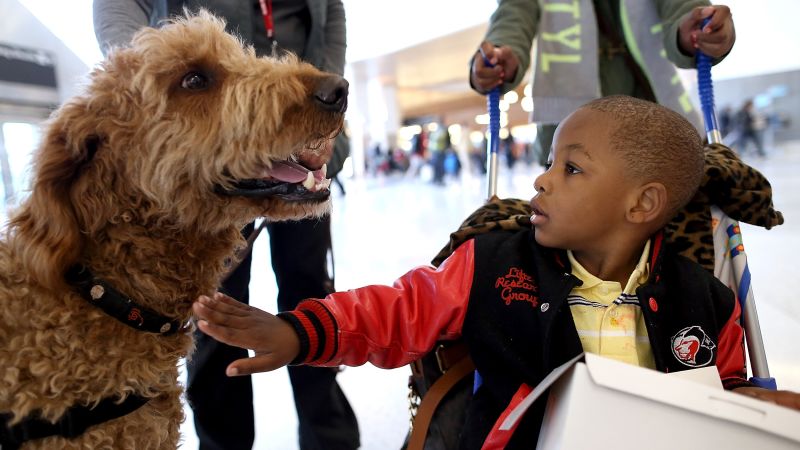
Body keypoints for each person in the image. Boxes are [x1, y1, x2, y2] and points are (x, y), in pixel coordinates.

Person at [192, 96, 800, 448]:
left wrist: (757, 409)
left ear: (641, 205)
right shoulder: (495, 264)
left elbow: (719, 402)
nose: (541, 179)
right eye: (549, 162)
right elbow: (397, 311)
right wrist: (297, 333)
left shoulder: (707, 303)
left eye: (572, 169)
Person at [93, 1, 360, 450]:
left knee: (313, 295)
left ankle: (329, 439)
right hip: (205, 157)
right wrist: (147, 86)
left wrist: (319, 120)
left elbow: (330, 13)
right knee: (211, 317)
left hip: (300, 150)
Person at [469, 1, 736, 166]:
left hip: (658, 129)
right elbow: (513, 17)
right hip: (570, 145)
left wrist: (702, 28)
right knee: (577, 248)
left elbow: (683, 7)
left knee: (675, 247)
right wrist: (502, 54)